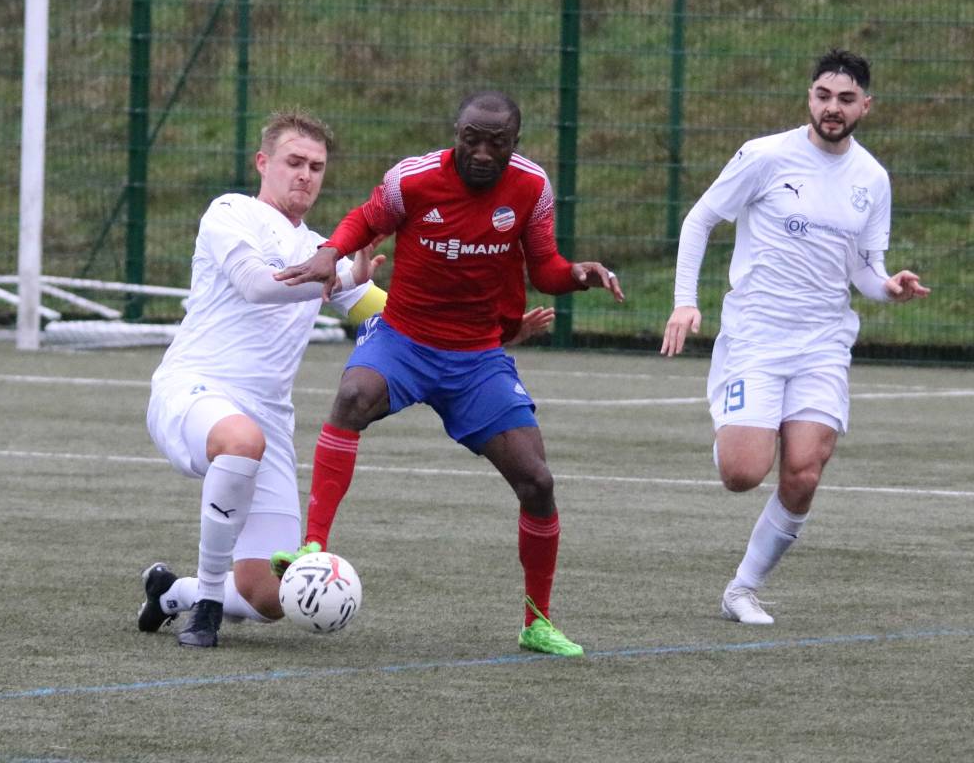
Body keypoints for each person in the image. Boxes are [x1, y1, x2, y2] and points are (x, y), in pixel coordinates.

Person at [270, 90, 625, 657]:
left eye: (497, 143)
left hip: (477, 360)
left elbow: (547, 269)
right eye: (471, 139)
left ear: (515, 143)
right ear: (455, 133)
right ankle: (312, 545)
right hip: (404, 340)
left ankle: (537, 621)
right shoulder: (412, 180)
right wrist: (330, 253)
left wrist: (580, 274)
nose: (483, 152)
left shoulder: (531, 189)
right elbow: (365, 219)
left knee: (537, 482)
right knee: (352, 395)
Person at [660, 49, 930, 625]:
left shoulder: (872, 179)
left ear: (866, 106)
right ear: (810, 97)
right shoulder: (765, 156)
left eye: (846, 99)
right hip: (756, 335)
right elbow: (700, 220)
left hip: (823, 342)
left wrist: (890, 287)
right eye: (823, 96)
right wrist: (686, 301)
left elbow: (864, 269)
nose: (832, 108)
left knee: (805, 469)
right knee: (742, 475)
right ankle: (735, 431)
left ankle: (742, 589)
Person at [137, 109, 388, 648]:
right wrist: (339, 273)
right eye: (293, 161)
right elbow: (256, 285)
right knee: (240, 440)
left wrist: (480, 333)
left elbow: (388, 316)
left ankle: (169, 593)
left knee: (271, 597)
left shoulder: (326, 250)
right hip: (195, 388)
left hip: (270, 417)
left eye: (316, 166)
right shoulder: (231, 212)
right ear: (263, 163)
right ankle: (205, 603)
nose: (305, 175)